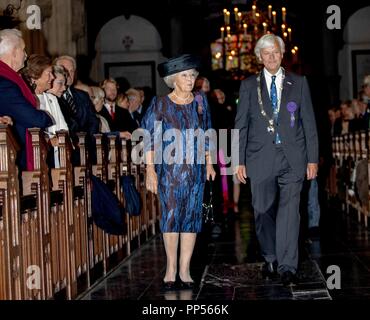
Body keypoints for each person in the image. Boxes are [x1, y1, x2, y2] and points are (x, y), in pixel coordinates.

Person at [234, 34, 319, 287]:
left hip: (293, 156)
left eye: (276, 52)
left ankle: (287, 266)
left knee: (290, 212)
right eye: (266, 53)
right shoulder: (249, 85)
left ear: (283, 55)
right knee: (261, 210)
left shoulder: (299, 82)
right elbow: (241, 125)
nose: (271, 57)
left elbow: (310, 124)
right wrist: (238, 160)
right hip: (260, 157)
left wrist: (312, 159)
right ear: (259, 57)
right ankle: (270, 255)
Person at [141, 54, 216, 291]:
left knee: (192, 218)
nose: (190, 79)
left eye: (193, 75)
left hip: (194, 171)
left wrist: (210, 163)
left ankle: (185, 269)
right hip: (169, 172)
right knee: (172, 217)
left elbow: (207, 133)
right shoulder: (160, 104)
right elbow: (149, 139)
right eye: (185, 75)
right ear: (174, 79)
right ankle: (171, 267)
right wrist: (150, 170)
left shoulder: (201, 102)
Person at [0, 29, 53, 170]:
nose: (26, 55)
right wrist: (47, 117)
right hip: (14, 156)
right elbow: (32, 118)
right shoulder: (4, 82)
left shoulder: (10, 78)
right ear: (14, 52)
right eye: (23, 50)